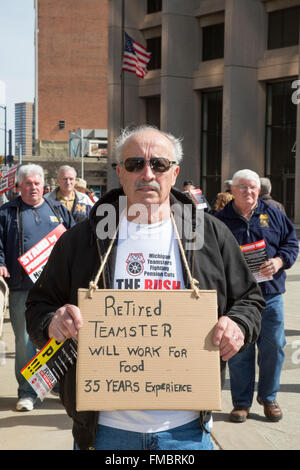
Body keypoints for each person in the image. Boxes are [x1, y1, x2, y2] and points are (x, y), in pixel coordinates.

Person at [26, 126, 264, 450]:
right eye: (135, 164)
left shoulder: (211, 235)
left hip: (186, 433)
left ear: (175, 172)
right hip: (105, 433)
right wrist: (53, 322)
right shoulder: (81, 240)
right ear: (120, 173)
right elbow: (38, 306)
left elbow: (250, 299)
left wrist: (238, 324)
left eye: (159, 165)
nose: (147, 173)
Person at [215, 169, 299, 423]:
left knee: (274, 346)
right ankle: (241, 403)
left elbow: (291, 243)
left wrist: (279, 261)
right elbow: (213, 255)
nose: (248, 191)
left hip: (270, 294)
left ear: (259, 190)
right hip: (238, 298)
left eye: (252, 187)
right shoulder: (220, 219)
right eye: (242, 187)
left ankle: (269, 397)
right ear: (232, 189)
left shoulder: (273, 214)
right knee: (240, 349)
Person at [0, 164, 74, 411]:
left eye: (37, 183)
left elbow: (76, 242)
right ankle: (27, 392)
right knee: (25, 341)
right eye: (28, 183)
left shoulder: (59, 210)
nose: (33, 187)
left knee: (57, 338)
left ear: (44, 186)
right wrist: (0, 263)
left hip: (56, 289)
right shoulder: (7, 213)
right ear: (19, 186)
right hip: (23, 288)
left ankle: (51, 382)